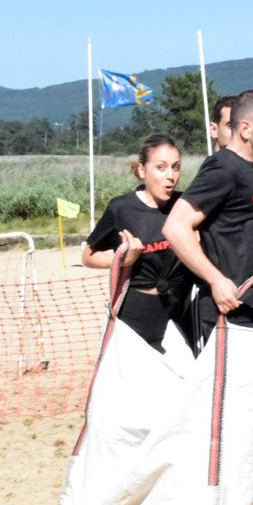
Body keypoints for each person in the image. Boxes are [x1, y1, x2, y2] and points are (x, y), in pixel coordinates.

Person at [163, 89, 253, 344]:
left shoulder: (250, 170)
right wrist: (216, 280)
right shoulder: (223, 168)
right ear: (245, 129)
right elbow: (175, 227)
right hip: (229, 314)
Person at [81, 134, 189, 353]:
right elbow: (88, 256)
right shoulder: (121, 208)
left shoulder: (185, 204)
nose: (171, 176)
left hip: (180, 311)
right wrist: (121, 259)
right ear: (142, 170)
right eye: (161, 167)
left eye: (176, 168)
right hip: (136, 314)